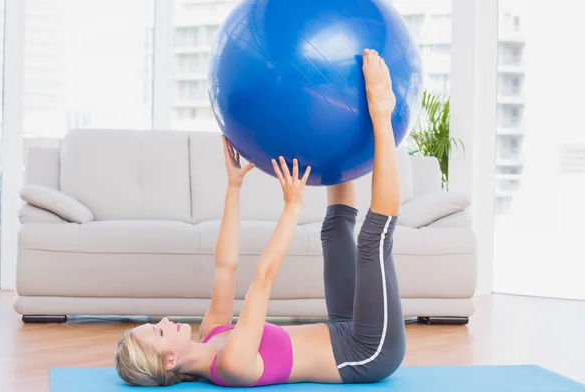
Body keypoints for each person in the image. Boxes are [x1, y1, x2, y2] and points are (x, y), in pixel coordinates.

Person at [114, 48, 405, 387]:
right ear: (170, 360)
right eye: (160, 330)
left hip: (343, 324)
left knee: (335, 229)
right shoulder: (232, 364)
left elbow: (226, 265)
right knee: (373, 240)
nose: (165, 320)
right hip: (367, 351)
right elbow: (263, 279)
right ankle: (381, 110)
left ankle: (345, 126)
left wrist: (233, 186)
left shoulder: (211, 334)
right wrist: (292, 207)